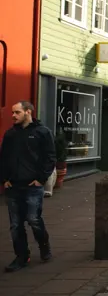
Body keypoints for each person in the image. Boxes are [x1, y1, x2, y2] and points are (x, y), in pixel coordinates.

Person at [0, 102, 55, 272]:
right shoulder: (10, 135)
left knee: (33, 219)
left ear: (28, 112)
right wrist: (4, 179)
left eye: (17, 112)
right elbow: (3, 158)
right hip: (13, 186)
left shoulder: (42, 132)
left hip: (33, 185)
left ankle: (44, 246)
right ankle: (22, 256)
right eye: (12, 112)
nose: (13, 115)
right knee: (16, 224)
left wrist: (41, 179)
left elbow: (50, 157)